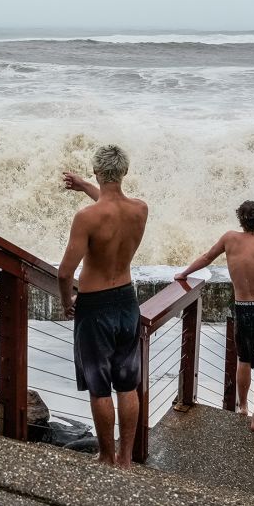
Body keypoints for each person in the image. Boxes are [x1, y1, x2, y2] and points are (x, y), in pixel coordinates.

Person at [60, 145, 148, 468]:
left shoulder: (86, 218)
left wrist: (66, 300)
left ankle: (106, 457)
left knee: (100, 387)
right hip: (127, 301)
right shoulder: (140, 209)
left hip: (94, 307)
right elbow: (111, 205)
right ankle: (125, 459)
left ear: (98, 171)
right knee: (127, 384)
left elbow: (65, 271)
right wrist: (85, 185)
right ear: (124, 172)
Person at [173, 200, 254, 432]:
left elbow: (207, 257)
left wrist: (184, 273)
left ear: (240, 218)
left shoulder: (229, 239)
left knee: (244, 360)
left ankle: (242, 407)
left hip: (243, 309)